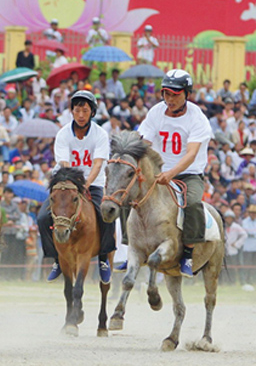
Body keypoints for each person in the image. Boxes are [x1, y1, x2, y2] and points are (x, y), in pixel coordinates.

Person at [124, 69, 213, 278]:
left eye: (175, 94)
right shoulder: (156, 112)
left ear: (186, 94)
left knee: (192, 203)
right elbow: (143, 141)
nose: (169, 99)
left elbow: (191, 154)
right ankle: (131, 248)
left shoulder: (197, 118)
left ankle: (189, 254)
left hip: (188, 173)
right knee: (126, 194)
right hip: (159, 172)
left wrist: (171, 173)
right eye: (166, 93)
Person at [37, 90, 115, 284]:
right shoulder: (63, 133)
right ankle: (56, 257)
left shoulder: (101, 134)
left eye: (85, 111)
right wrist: (74, 185)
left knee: (106, 215)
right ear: (71, 111)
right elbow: (63, 163)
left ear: (92, 112)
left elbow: (98, 164)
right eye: (77, 110)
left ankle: (104, 258)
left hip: (93, 183)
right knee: (42, 217)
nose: (81, 115)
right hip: (65, 183)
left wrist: (86, 185)